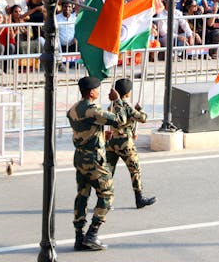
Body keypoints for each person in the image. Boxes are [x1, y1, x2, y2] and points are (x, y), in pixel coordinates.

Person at [67, 76, 126, 251]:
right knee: (107, 195)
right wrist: (117, 101)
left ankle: (79, 236)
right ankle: (92, 234)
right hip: (94, 159)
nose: (99, 92)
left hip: (80, 156)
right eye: (97, 89)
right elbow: (120, 120)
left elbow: (86, 130)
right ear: (91, 92)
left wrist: (100, 135)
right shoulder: (93, 110)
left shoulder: (73, 109)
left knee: (82, 195)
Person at [106, 78, 157, 209]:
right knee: (135, 170)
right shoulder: (127, 106)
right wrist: (140, 109)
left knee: (108, 172)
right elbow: (143, 118)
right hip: (125, 144)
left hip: (111, 142)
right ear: (127, 93)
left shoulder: (111, 106)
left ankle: (105, 201)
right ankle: (139, 198)